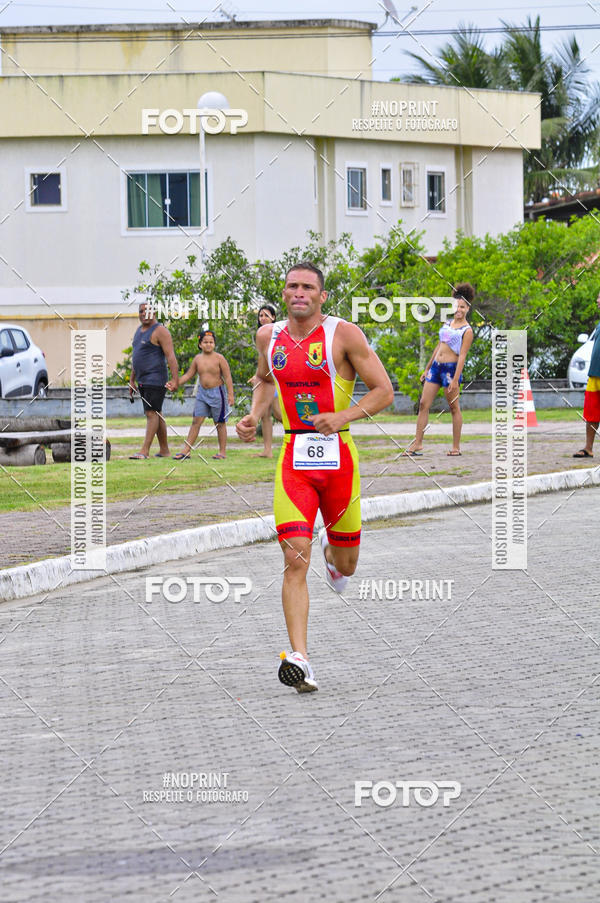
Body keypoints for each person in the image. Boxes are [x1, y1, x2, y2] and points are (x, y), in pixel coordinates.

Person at [236, 262, 394, 693]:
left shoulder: (344, 334)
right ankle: (300, 659)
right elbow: (267, 382)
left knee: (347, 564)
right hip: (294, 460)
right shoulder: (268, 337)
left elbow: (384, 391)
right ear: (283, 293)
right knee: (293, 559)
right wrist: (252, 415)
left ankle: (334, 555)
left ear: (322, 296)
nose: (299, 293)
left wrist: (340, 416)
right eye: (292, 286)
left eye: (308, 287)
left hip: (339, 460)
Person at [405, 283, 475, 457]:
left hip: (451, 371)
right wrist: (427, 368)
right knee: (423, 404)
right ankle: (418, 444)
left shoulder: (467, 331)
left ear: (467, 308)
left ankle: (456, 447)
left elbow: (463, 356)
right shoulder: (447, 323)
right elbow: (439, 346)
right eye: (456, 305)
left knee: (453, 408)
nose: (458, 309)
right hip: (436, 368)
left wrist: (455, 378)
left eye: (462, 307)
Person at [170, 330, 234, 460]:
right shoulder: (197, 359)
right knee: (196, 421)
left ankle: (222, 452)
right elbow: (189, 375)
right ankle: (186, 450)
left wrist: (231, 395)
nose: (208, 344)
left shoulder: (219, 358)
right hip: (202, 394)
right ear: (200, 344)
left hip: (218, 393)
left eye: (211, 342)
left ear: (214, 344)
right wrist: (175, 383)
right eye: (205, 342)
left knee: (220, 423)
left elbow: (227, 377)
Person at [128, 302, 179, 459]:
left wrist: (175, 380)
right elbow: (137, 358)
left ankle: (144, 451)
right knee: (157, 413)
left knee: (151, 413)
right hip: (143, 380)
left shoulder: (160, 331)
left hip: (155, 379)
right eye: (141, 311)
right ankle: (164, 450)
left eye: (147, 311)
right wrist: (132, 380)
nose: (143, 313)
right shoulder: (138, 331)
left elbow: (171, 356)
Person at [248, 304, 282, 457]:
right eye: (260, 315)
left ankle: (304, 436)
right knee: (265, 416)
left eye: (266, 315)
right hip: (265, 381)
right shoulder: (260, 335)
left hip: (277, 382)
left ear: (273, 317)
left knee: (280, 414)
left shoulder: (279, 334)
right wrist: (258, 376)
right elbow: (263, 361)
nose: (262, 318)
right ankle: (267, 451)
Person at [573, 292, 600, 458]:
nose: (597, 300)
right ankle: (588, 448)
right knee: (591, 412)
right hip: (595, 374)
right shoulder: (599, 325)